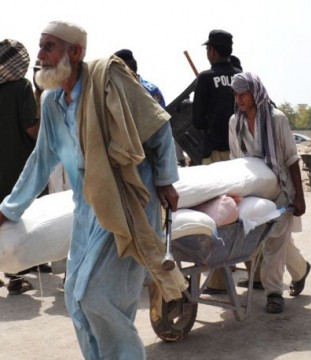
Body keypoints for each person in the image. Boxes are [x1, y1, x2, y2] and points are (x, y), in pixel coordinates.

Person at [0, 20, 187, 359]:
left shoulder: (108, 82)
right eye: (40, 47)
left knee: (99, 298)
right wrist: (9, 209)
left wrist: (166, 180)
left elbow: (158, 127)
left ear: (75, 52)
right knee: (74, 296)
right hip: (87, 210)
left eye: (48, 47)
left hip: (126, 205)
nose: (40, 55)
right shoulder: (51, 103)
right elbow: (41, 161)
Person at [229, 72, 311, 313]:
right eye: (235, 94)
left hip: (281, 188)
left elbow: (291, 158)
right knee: (270, 238)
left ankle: (274, 293)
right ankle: (301, 269)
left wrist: (299, 195)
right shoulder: (234, 122)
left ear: (255, 93)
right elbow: (236, 160)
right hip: (252, 191)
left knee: (275, 241)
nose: (239, 99)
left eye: (243, 93)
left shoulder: (277, 119)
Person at [0, 39, 39, 295]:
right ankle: (16, 276)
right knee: (15, 221)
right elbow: (30, 128)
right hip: (15, 169)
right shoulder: (22, 88)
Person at [192, 29, 241, 165]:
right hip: (240, 149)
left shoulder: (205, 78)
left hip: (214, 151)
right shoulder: (240, 76)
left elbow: (198, 120)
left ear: (212, 51)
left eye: (207, 49)